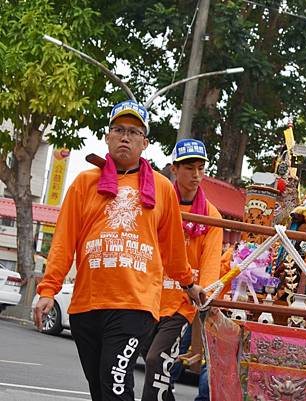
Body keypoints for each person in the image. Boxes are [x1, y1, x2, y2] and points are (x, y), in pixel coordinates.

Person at [33, 100, 203, 401]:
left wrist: (189, 283)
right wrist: (49, 290)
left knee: (115, 385)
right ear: (108, 137)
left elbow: (173, 248)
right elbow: (64, 241)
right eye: (119, 130)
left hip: (134, 306)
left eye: (134, 131)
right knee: (100, 389)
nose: (126, 137)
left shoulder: (162, 188)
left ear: (145, 142)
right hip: (87, 306)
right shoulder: (84, 183)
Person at [141, 139, 223, 401]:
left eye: (201, 168)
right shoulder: (157, 203)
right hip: (149, 298)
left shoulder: (211, 215)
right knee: (159, 368)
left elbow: (211, 262)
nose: (196, 175)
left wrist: (205, 298)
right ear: (174, 169)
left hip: (182, 304)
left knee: (157, 361)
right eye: (189, 168)